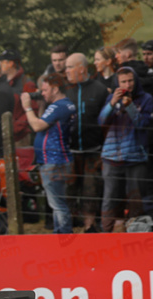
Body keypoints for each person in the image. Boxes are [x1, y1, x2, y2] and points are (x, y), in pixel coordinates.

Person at [98, 67, 152, 231]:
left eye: (130, 81)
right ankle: (106, 236)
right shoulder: (111, 98)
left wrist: (130, 107)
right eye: (123, 82)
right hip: (111, 157)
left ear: (135, 81)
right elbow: (101, 121)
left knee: (136, 200)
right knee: (110, 199)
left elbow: (143, 124)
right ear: (117, 83)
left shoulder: (147, 99)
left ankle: (136, 237)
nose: (127, 85)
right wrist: (112, 103)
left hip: (136, 158)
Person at [22, 73, 76, 234]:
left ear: (55, 89)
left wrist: (27, 107)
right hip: (60, 158)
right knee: (58, 202)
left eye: (45, 90)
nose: (42, 93)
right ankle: (59, 234)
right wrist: (40, 105)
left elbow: (37, 126)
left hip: (53, 160)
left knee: (58, 204)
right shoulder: (66, 105)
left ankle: (64, 235)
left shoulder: (58, 106)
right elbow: (46, 123)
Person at [65, 53, 109, 232]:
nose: (66, 71)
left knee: (91, 190)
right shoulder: (66, 90)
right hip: (71, 151)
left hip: (94, 150)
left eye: (69, 67)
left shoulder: (99, 89)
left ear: (81, 69)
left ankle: (90, 226)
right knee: (69, 188)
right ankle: (67, 225)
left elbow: (107, 120)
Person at [0, 49, 37, 143]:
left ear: (11, 63)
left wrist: (15, 128)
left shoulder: (27, 83)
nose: (0, 65)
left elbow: (33, 108)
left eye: (2, 62)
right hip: (4, 136)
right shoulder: (2, 82)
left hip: (19, 137)